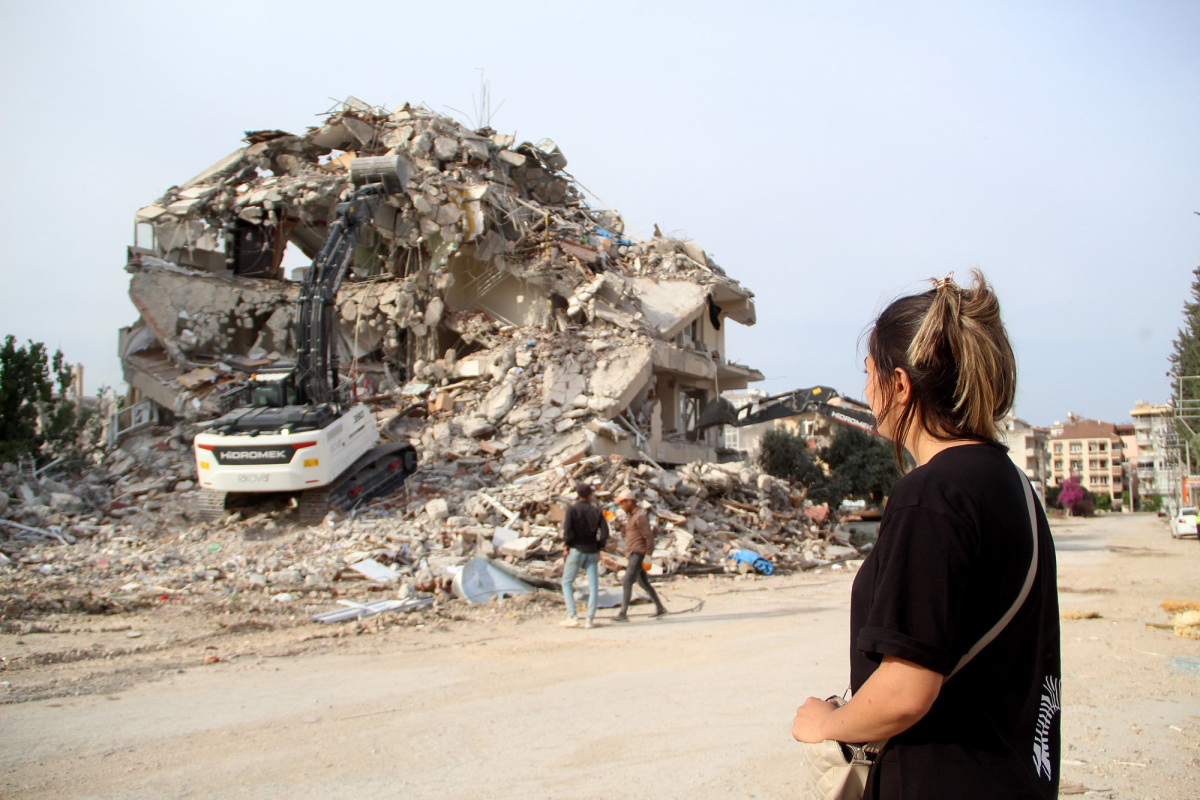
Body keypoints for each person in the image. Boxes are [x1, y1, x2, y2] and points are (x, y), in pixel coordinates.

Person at [791, 271, 1061, 799]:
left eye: (868, 374)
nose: (865, 392)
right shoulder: (1010, 485)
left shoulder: (930, 496)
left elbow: (906, 692)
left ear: (898, 384)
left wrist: (825, 724)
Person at [613, 487, 667, 621]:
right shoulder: (632, 516)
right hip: (633, 552)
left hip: (638, 553)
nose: (621, 506)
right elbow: (628, 532)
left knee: (626, 582)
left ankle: (623, 614)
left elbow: (649, 536)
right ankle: (660, 608)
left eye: (622, 503)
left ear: (630, 502)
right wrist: (616, 523)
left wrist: (648, 555)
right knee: (643, 583)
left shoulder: (640, 516)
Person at [560, 482, 608, 629]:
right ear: (589, 495)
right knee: (594, 586)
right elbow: (605, 533)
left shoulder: (572, 510)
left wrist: (567, 545)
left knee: (567, 582)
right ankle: (589, 619)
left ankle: (572, 616)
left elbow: (568, 530)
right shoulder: (597, 511)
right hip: (592, 551)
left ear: (578, 495)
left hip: (577, 550)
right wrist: (599, 545)